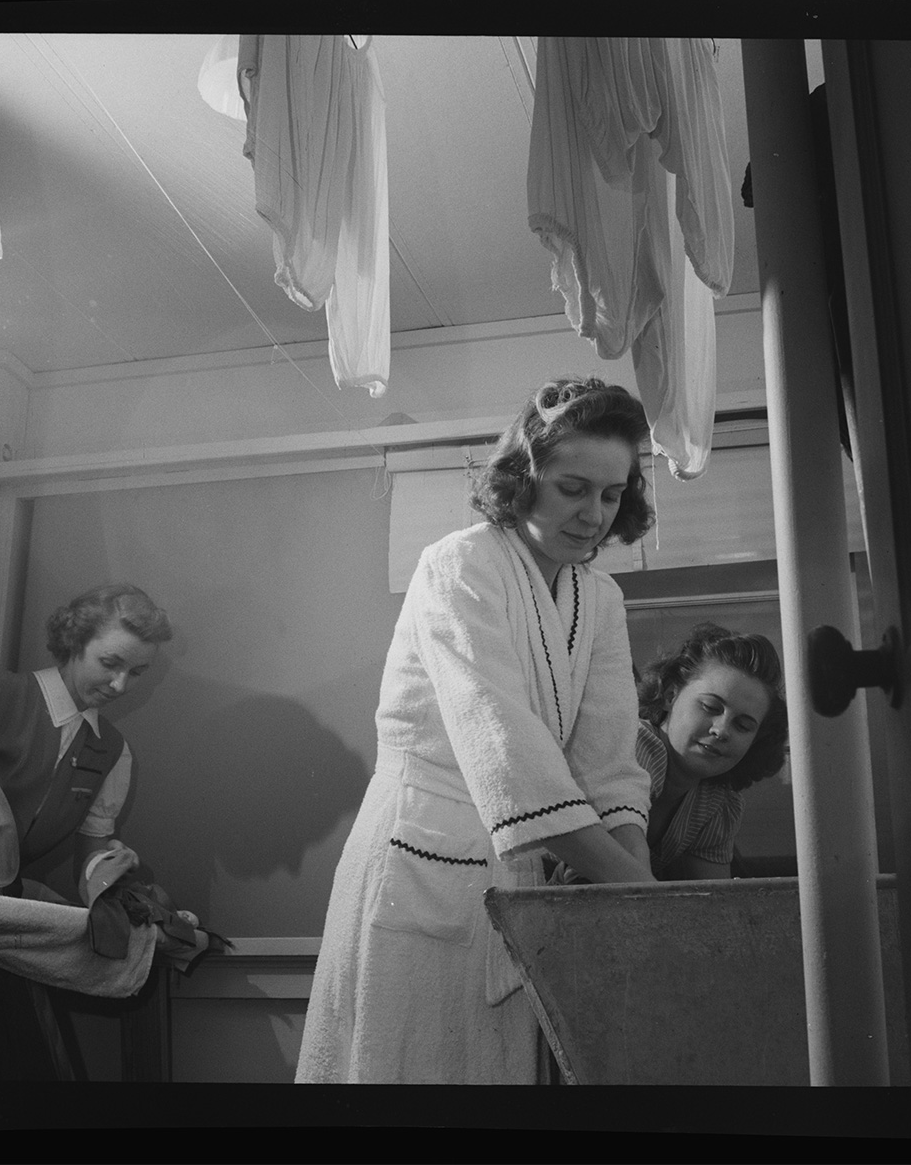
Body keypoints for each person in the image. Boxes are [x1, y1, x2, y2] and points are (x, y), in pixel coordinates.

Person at [296, 377, 657, 1085]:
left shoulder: (600, 598)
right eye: (573, 487)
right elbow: (505, 749)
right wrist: (645, 900)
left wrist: (639, 886)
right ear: (525, 479)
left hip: (519, 871)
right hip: (420, 860)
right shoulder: (458, 565)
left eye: (611, 495)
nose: (593, 514)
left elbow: (611, 763)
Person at [0, 583, 173, 893]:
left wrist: (110, 867)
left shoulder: (113, 753)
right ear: (74, 642)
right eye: (109, 663)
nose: (119, 685)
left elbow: (89, 865)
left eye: (136, 672)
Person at [554, 623, 789, 884]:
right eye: (710, 707)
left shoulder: (718, 803)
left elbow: (712, 902)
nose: (722, 730)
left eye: (743, 725)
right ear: (670, 695)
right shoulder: (636, 747)